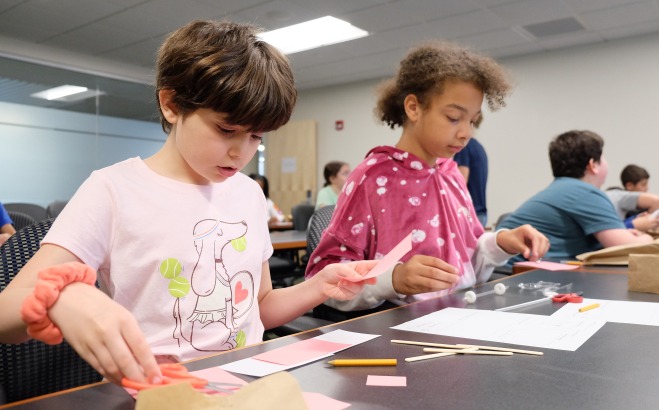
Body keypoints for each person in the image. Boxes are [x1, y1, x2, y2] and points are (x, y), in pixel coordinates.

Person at [0, 20, 378, 387]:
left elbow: (259, 305)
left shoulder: (247, 193)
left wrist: (319, 286)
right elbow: (5, 312)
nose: (240, 152)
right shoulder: (114, 190)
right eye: (226, 130)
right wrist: (63, 297)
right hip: (156, 391)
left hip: (249, 383)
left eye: (256, 137)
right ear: (171, 104)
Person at [305, 41, 549, 313]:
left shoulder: (450, 174)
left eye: (473, 120)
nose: (466, 132)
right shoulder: (372, 177)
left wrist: (501, 243)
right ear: (413, 108)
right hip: (397, 328)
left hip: (459, 314)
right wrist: (393, 279)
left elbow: (466, 267)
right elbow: (324, 281)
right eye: (454, 118)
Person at [499, 130, 653, 262]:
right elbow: (631, 249)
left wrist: (623, 234)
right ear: (593, 165)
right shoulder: (585, 193)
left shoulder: (564, 189)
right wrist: (646, 238)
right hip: (518, 276)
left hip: (507, 271)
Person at [454, 116, 488, 227]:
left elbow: (460, 183)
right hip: (480, 212)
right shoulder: (478, 147)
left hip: (470, 214)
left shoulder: (464, 147)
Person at [605, 165, 659, 232]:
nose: (647, 188)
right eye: (643, 184)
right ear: (629, 186)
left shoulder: (642, 208)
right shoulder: (616, 199)